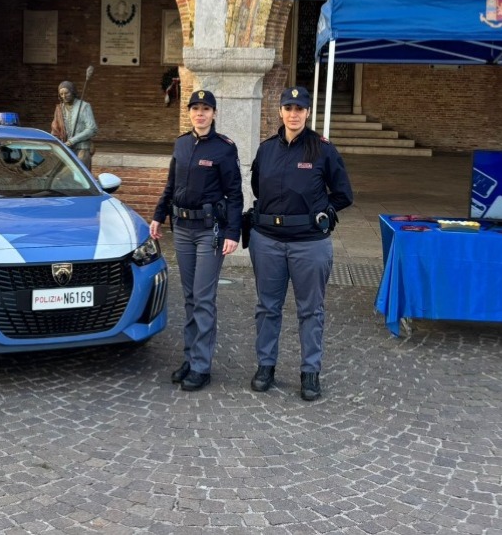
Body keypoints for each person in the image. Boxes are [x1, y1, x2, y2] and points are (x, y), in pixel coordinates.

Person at [247, 86, 353, 401]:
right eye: (288, 107)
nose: (294, 114)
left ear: (308, 113)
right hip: (267, 241)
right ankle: (265, 366)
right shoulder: (266, 149)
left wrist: (326, 213)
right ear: (280, 111)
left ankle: (310, 372)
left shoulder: (323, 150)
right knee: (267, 307)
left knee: (311, 310)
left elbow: (344, 194)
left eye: (300, 109)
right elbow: (257, 187)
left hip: (309, 243)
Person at [150, 90, 242, 392]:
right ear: (189, 112)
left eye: (206, 109)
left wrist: (232, 232)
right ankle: (189, 358)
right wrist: (158, 216)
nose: (200, 114)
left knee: (203, 298)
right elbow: (170, 185)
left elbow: (234, 194)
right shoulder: (181, 143)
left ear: (214, 113)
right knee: (189, 297)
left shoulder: (224, 149)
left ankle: (202, 366)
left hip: (208, 232)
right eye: (195, 108)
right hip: (183, 229)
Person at [50, 80, 97, 171]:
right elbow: (55, 130)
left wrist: (72, 141)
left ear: (73, 92)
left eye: (66, 93)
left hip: (82, 147)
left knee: (80, 173)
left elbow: (92, 129)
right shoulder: (59, 108)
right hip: (66, 148)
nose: (64, 96)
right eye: (61, 94)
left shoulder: (84, 106)